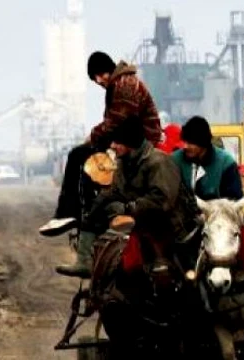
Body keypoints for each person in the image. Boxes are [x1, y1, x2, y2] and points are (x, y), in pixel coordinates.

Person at [56, 116, 199, 278]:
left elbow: (162, 201)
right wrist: (94, 211)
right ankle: (84, 262)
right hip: (139, 221)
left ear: (130, 144)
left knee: (169, 277)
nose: (112, 146)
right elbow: (113, 191)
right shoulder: (124, 163)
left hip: (168, 229)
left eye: (117, 142)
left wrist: (129, 208)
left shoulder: (159, 163)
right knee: (96, 217)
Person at [39, 51, 163, 237]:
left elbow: (117, 121)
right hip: (129, 136)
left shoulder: (124, 85)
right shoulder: (120, 84)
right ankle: (77, 212)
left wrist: (92, 136)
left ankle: (72, 213)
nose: (99, 82)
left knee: (78, 156)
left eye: (98, 77)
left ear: (104, 71)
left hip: (138, 140)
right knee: (87, 161)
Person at [171, 116, 243, 201]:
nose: (185, 146)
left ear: (203, 143)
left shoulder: (226, 163)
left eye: (190, 143)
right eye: (185, 141)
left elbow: (234, 200)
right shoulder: (174, 160)